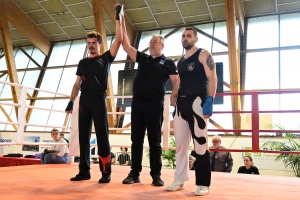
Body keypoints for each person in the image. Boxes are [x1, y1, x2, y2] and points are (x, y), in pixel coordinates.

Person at [65, 4, 123, 183]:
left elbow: (119, 39)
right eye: (88, 44)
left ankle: (106, 173)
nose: (90, 46)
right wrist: (71, 101)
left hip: (99, 99)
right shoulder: (82, 62)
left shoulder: (106, 58)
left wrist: (118, 16)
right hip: (84, 101)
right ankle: (84, 171)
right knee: (83, 137)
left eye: (93, 43)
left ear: (100, 44)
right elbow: (77, 84)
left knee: (102, 136)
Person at [120, 16, 179, 186]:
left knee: (155, 142)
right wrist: (122, 22)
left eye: (155, 41)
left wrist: (175, 97)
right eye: (150, 42)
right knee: (136, 140)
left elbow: (176, 83)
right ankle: (134, 173)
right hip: (137, 105)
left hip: (155, 106)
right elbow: (125, 45)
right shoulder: (143, 58)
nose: (151, 44)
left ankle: (156, 175)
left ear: (162, 45)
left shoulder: (168, 63)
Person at [166, 27, 218, 196]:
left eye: (189, 36)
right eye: (183, 36)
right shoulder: (180, 61)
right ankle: (180, 179)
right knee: (180, 145)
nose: (185, 38)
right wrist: (174, 95)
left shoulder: (204, 54)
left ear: (196, 39)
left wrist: (210, 100)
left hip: (198, 103)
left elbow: (212, 78)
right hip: (181, 105)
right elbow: (179, 82)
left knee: (201, 144)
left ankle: (203, 183)